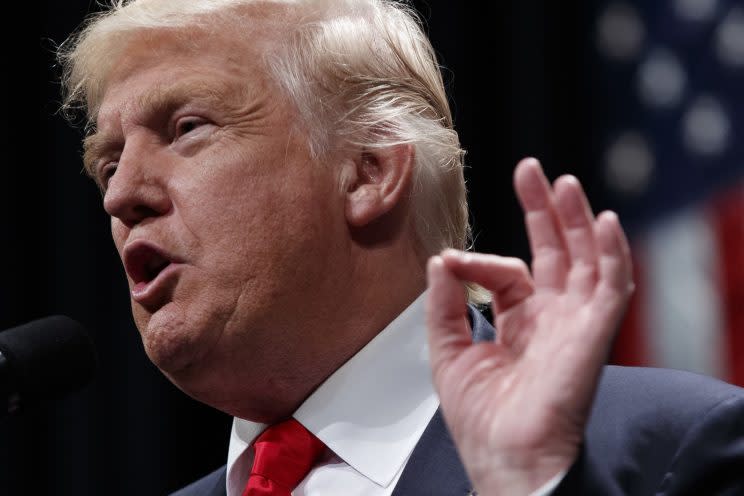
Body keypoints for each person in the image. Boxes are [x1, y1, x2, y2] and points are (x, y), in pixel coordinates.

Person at [58, 0, 744, 494]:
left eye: (186, 127)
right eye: (109, 164)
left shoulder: (667, 450)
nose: (122, 197)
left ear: (369, 171)